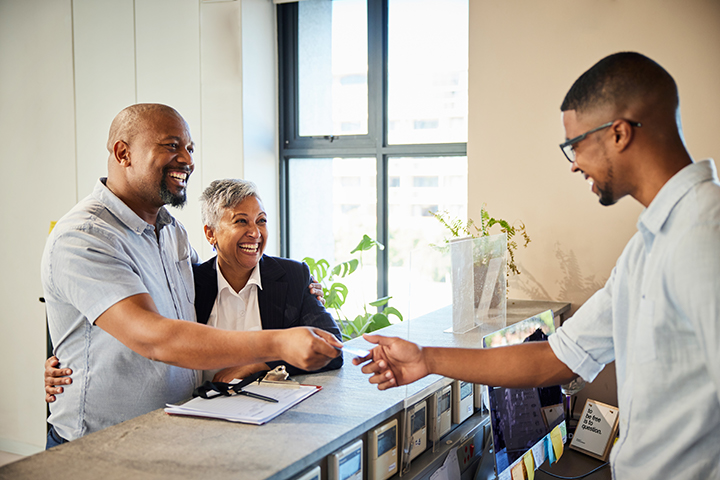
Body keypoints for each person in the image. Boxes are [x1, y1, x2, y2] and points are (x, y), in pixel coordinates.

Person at [355, 52, 720, 479]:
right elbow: (556, 357)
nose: (573, 162)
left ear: (619, 133)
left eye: (576, 143)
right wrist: (426, 360)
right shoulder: (647, 246)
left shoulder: (704, 235)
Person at [41, 103, 341, 447]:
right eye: (171, 145)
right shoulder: (84, 236)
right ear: (124, 153)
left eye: (190, 148)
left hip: (176, 431)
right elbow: (155, 337)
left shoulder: (173, 233)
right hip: (101, 445)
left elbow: (202, 294)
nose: (187, 159)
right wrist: (278, 343)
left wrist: (301, 289)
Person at [192, 178, 344, 382]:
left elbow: (331, 348)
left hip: (273, 407)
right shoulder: (191, 284)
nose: (255, 233)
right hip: (202, 407)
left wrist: (256, 366)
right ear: (211, 234)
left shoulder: (293, 276)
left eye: (261, 221)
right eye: (241, 221)